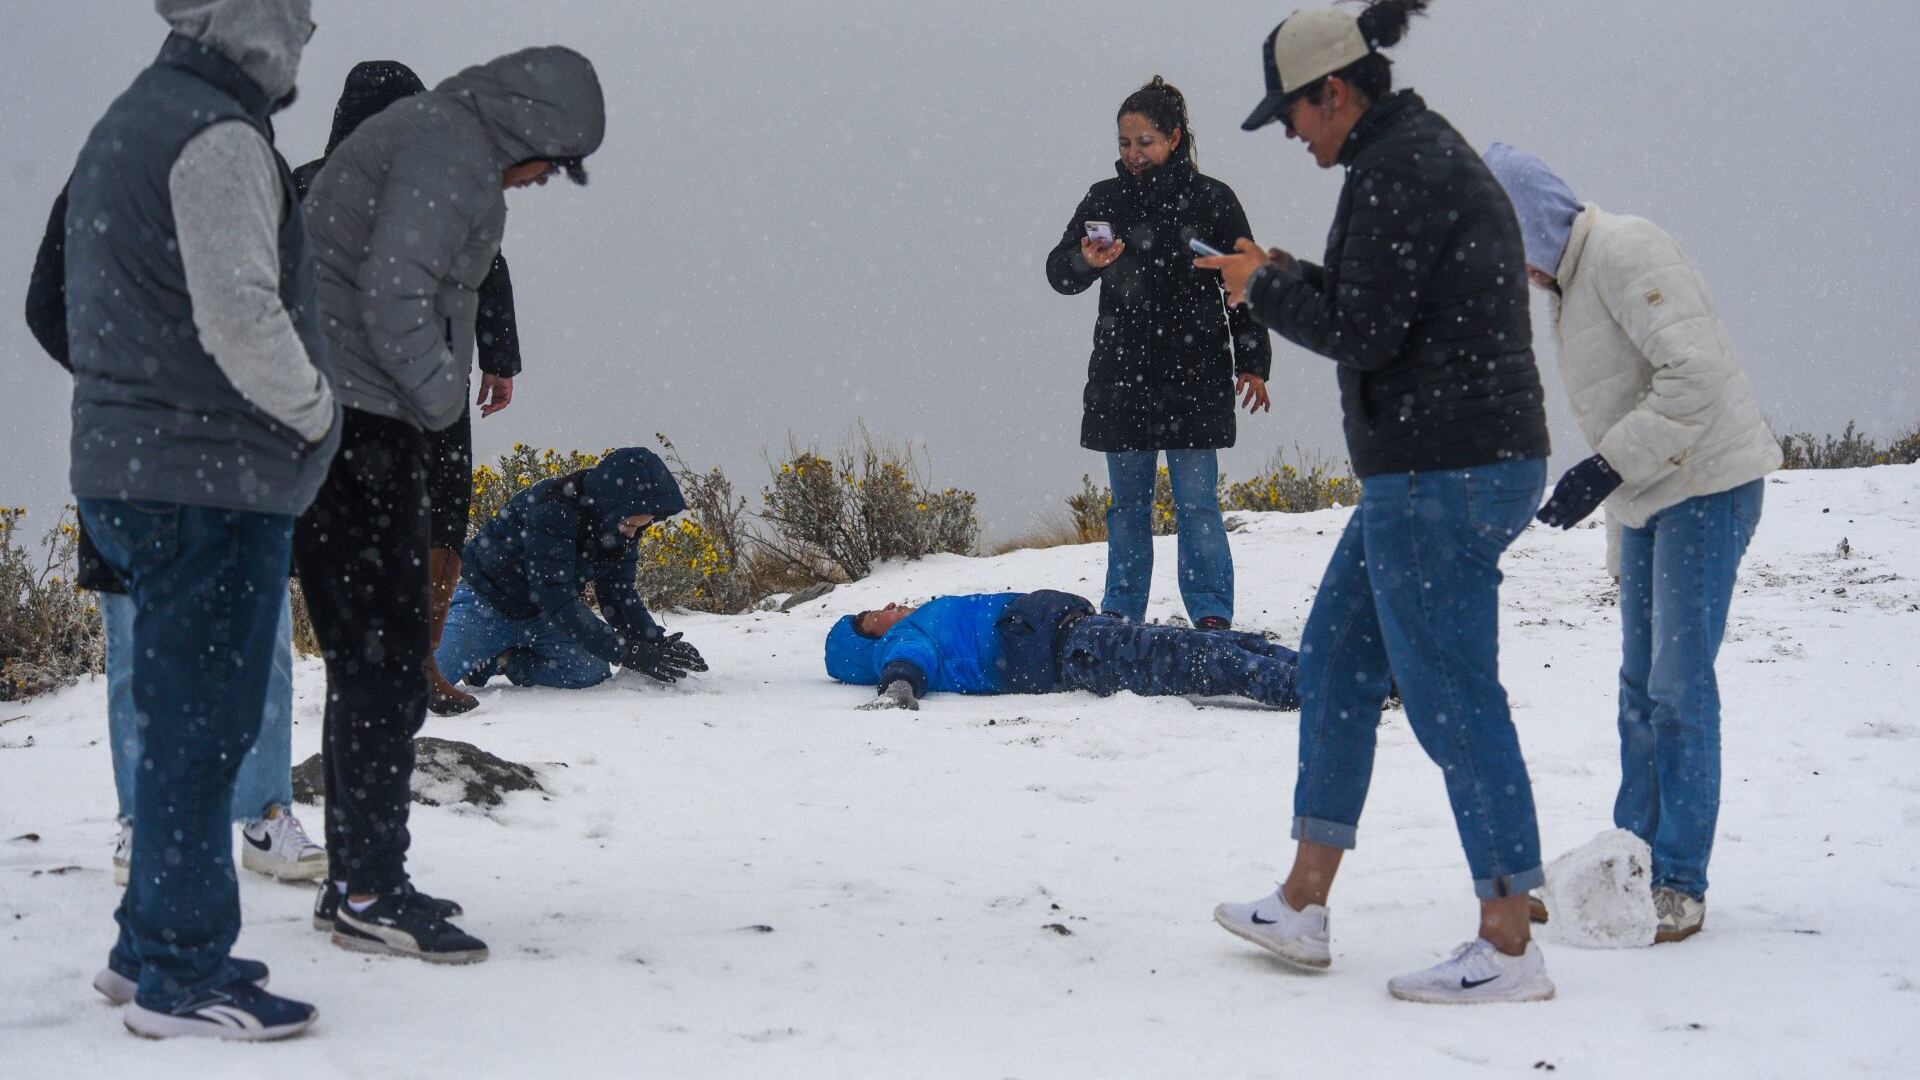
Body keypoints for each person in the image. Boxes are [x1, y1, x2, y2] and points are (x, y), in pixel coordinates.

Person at [1196, 1, 1559, 1004]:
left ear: (1337, 91)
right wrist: (1273, 273)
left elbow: (1365, 329)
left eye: (1295, 114)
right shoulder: (1400, 158)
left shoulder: (1404, 169)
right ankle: (1303, 903)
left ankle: (1510, 947)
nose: (1292, 132)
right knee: (1337, 658)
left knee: (1453, 697)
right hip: (1434, 465)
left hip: (1446, 471)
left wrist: (1261, 290)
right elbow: (1375, 304)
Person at [61, 0, 336, 1039]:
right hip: (208, 482)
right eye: (299, 15)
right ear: (256, 22)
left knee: (177, 714)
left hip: (136, 469)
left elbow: (55, 292)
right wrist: (317, 414)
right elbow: (239, 313)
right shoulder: (215, 135)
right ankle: (183, 974)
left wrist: (130, 398)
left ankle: (145, 950)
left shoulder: (132, 119)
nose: (308, 33)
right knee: (205, 729)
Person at [297, 45, 605, 964]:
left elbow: (439, 285)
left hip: (346, 424)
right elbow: (397, 297)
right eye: (553, 158)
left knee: (371, 659)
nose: (549, 179)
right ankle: (365, 887)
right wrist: (438, 402)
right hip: (360, 430)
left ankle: (356, 878)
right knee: (382, 661)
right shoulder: (441, 158)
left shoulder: (421, 152)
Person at [1484, 144, 1781, 944]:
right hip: (1651, 495)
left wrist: (1606, 467)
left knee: (1679, 688)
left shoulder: (1624, 249)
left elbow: (1696, 374)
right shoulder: (1568, 281)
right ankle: (1630, 863)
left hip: (1707, 487)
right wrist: (1613, 499)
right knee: (1637, 688)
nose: (1512, 272)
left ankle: (1679, 881)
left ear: (1532, 223)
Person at [290, 60, 529, 716]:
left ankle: (375, 664)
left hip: (335, 392)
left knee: (345, 520)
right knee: (436, 513)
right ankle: (407, 663)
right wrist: (498, 361)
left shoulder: (302, 186)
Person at [1046, 77, 1273, 630]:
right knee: (1127, 508)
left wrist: (1253, 362)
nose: (1132, 154)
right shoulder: (1104, 199)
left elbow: (1243, 283)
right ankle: (1122, 613)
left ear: (1173, 138)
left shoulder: (1213, 199)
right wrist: (1086, 263)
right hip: (1121, 374)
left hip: (1195, 371)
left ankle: (1213, 615)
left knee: (1198, 505)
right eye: (1124, 143)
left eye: (1144, 142)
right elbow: (1058, 272)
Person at [438, 447, 708, 691]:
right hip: (485, 604)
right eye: (630, 524)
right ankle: (477, 650)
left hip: (541, 617)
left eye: (640, 526)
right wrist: (629, 653)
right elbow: (556, 598)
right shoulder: (553, 509)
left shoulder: (620, 528)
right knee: (429, 677)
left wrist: (654, 643)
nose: (632, 534)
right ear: (612, 505)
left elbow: (618, 594)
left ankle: (505, 659)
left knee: (590, 672)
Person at [825, 590, 1299, 710]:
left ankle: (1329, 672)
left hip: (1076, 633)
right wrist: (899, 689)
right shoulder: (902, 640)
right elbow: (909, 666)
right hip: (1069, 652)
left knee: (1213, 645)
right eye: (872, 615)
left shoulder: (918, 622)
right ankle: (1322, 687)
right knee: (1199, 660)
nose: (889, 607)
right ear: (869, 640)